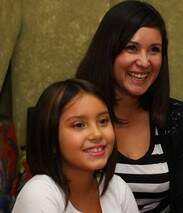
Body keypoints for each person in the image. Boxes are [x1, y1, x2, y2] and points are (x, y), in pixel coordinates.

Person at [76, 1, 183, 212]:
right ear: (108, 50)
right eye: (132, 48)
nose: (144, 61)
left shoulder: (177, 117)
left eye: (154, 50)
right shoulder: (74, 115)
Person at [12, 79, 139, 213]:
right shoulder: (39, 193)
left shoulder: (117, 188)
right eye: (79, 125)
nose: (97, 134)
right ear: (51, 137)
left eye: (103, 121)